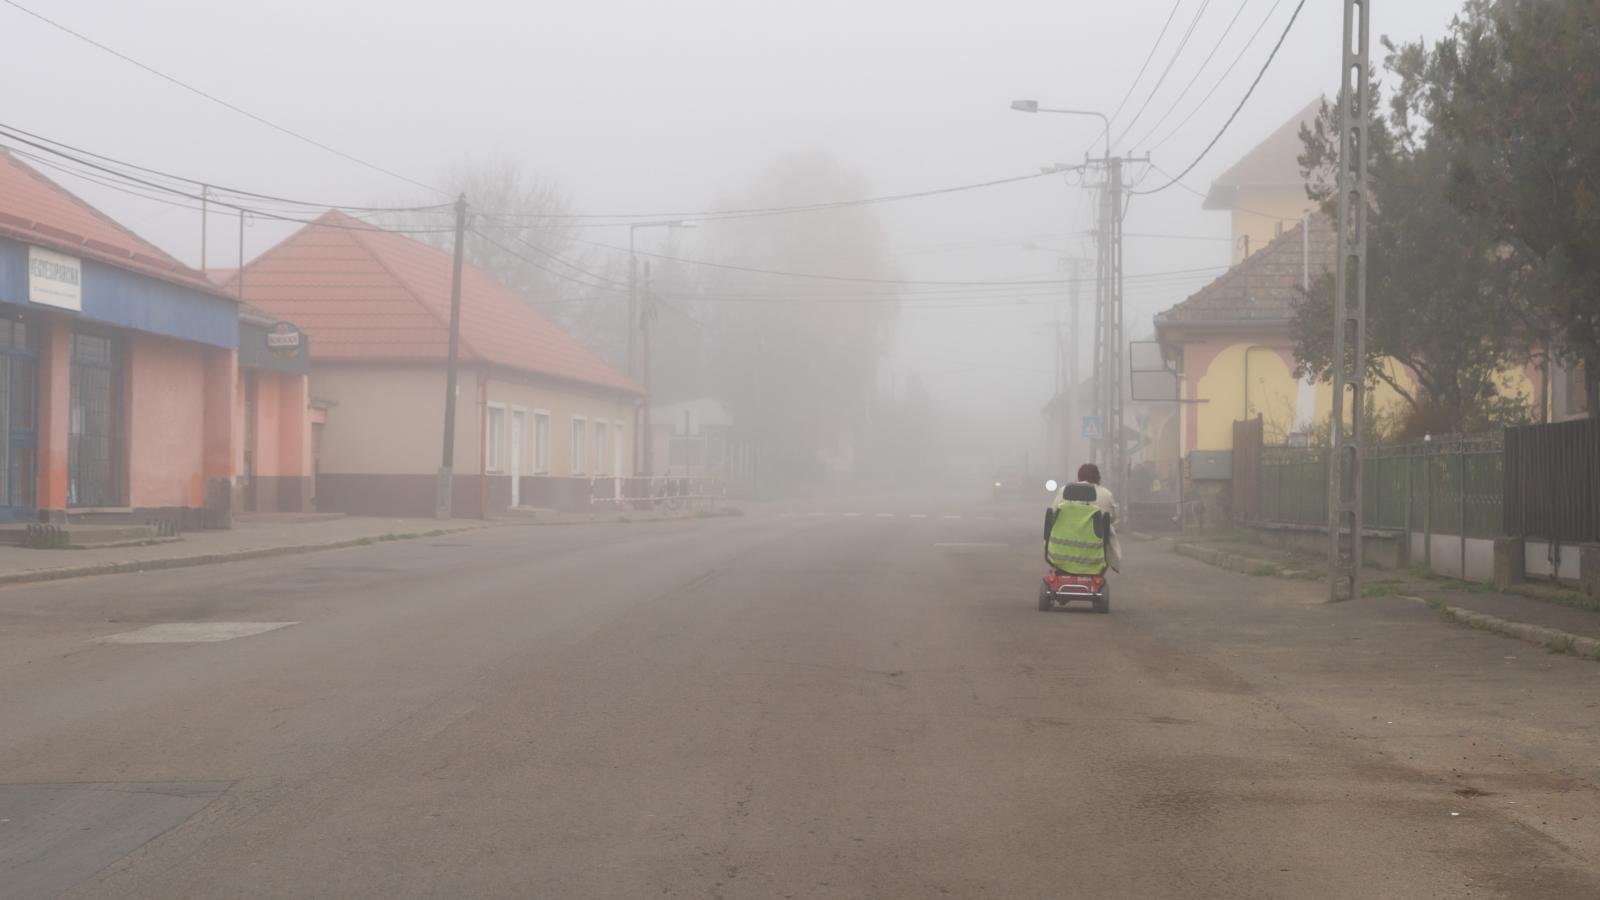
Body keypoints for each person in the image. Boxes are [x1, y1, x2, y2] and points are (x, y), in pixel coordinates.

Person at [1043, 463, 1121, 573]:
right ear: (1098, 477)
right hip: (1095, 557)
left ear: (1079, 477)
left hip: (1060, 555)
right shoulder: (1106, 495)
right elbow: (1112, 518)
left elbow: (1053, 515)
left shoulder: (1064, 491)